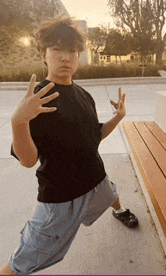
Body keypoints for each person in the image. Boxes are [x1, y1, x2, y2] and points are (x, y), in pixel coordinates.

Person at [0, 16, 138, 275]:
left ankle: (119, 211)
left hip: (96, 179)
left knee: (111, 191)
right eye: (57, 50)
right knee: (23, 260)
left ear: (78, 56)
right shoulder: (39, 99)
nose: (65, 57)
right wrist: (19, 121)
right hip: (61, 199)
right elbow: (28, 161)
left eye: (72, 51)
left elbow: (94, 136)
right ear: (44, 54)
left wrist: (117, 118)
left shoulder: (84, 95)